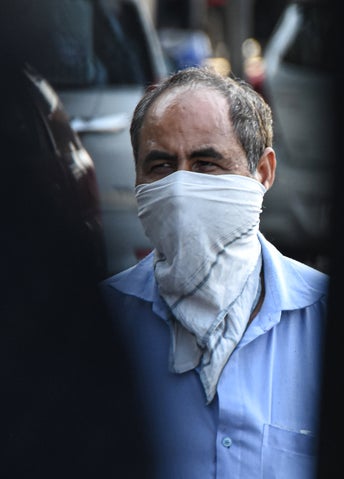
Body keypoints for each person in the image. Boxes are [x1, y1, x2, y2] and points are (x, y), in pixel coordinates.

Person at [100, 66, 329, 478]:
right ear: (136, 177)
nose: (182, 189)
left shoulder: (327, 321)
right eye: (161, 166)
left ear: (263, 173)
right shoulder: (98, 326)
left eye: (206, 163)